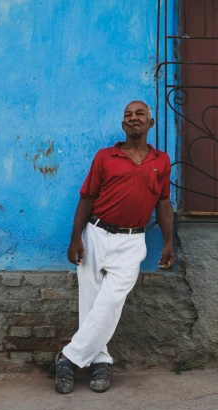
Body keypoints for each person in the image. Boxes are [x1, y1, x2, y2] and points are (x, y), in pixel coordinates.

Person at [55, 100, 175, 394]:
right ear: (123, 125)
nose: (134, 119)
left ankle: (67, 359)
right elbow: (87, 197)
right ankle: (100, 363)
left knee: (110, 302)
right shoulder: (105, 157)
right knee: (91, 303)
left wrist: (169, 241)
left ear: (150, 123)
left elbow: (163, 202)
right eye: (128, 115)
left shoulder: (161, 161)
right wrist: (76, 238)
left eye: (140, 115)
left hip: (133, 240)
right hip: (96, 234)